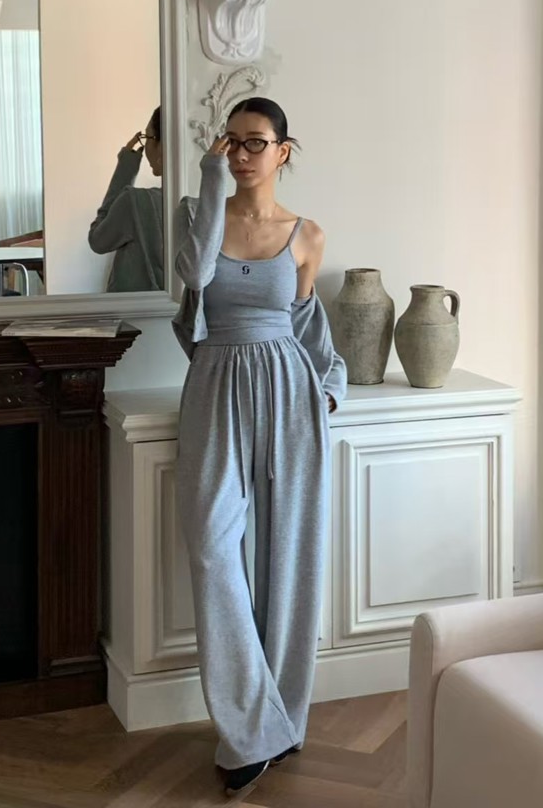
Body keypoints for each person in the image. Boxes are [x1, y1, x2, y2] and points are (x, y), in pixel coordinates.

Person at [172, 97, 347, 797]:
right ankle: (252, 726)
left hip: (288, 393)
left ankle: (282, 715)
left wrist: (327, 389)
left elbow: (307, 324)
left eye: (256, 142)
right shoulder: (197, 216)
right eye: (232, 142)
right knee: (212, 549)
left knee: (288, 557)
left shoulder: (307, 235)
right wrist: (210, 180)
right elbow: (193, 280)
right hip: (215, 388)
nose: (242, 154)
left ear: (283, 151)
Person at [87, 106, 164, 291]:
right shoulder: (203, 203)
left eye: (148, 138)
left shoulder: (135, 202)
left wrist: (125, 168)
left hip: (135, 308)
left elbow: (98, 241)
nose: (146, 148)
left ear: (162, 145)